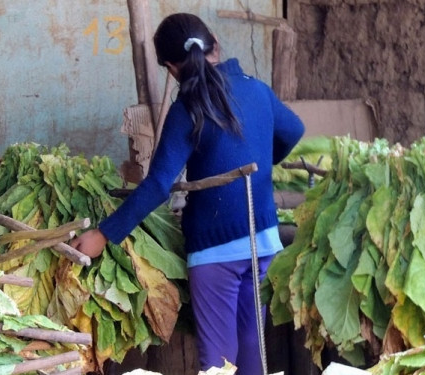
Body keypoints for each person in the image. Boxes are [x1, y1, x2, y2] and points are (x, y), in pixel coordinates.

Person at [71, 13, 305, 374]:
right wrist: (260, 160)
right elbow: (294, 129)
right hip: (265, 243)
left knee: (218, 364)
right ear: (215, 42)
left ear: (170, 68)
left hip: (215, 253)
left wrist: (104, 234)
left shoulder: (186, 110)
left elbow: (158, 185)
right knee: (252, 351)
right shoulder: (257, 89)